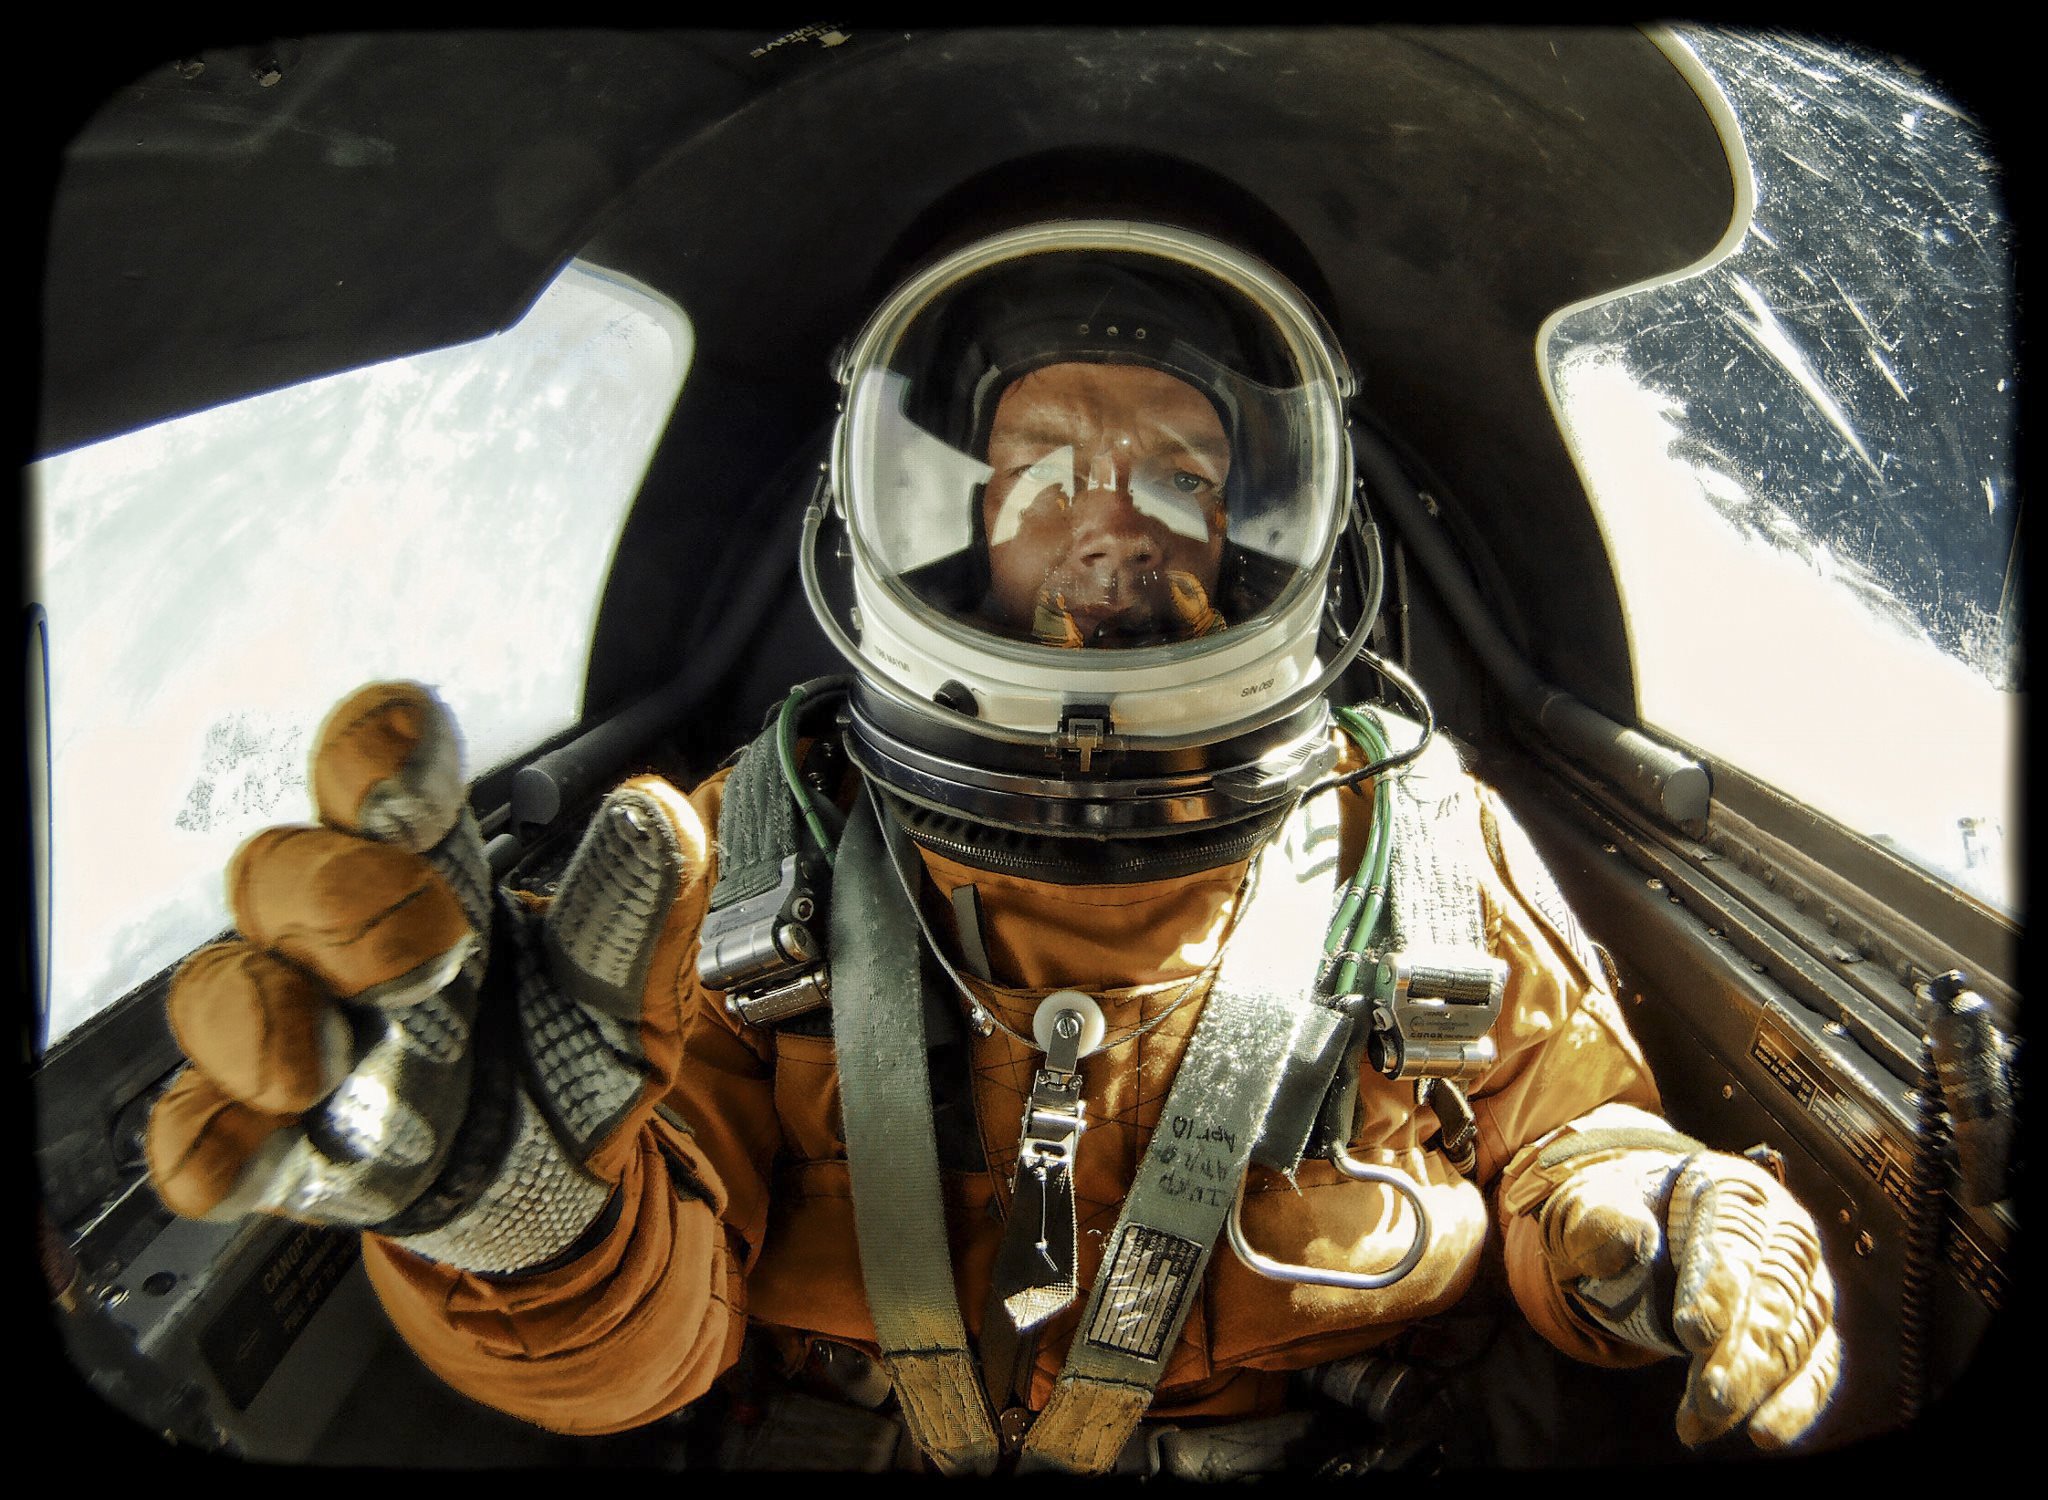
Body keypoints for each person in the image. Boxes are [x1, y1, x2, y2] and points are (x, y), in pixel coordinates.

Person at [143, 216, 1841, 1475]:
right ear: (921, 524)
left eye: (1178, 467)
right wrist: (522, 1230)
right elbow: (650, 1353)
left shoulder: (1421, 833)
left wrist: (1673, 1217)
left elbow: (1567, 1140)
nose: (1106, 511)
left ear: (1281, 527)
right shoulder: (757, 849)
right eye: (1038, 463)